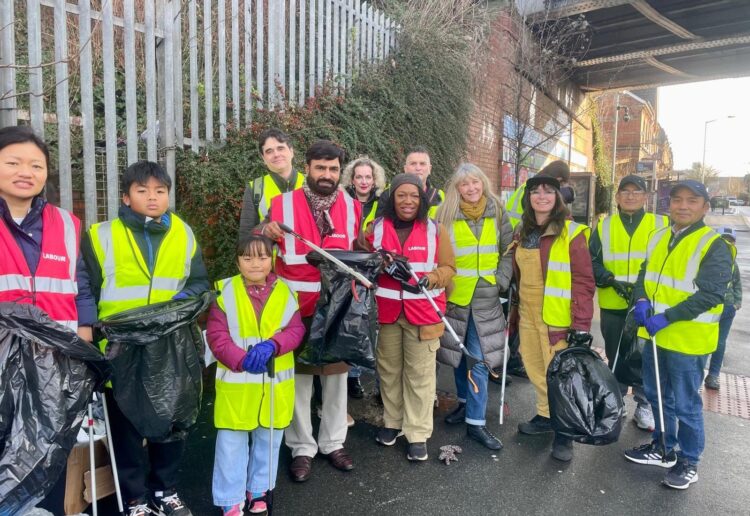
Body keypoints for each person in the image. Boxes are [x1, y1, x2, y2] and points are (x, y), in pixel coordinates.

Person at [82, 161, 210, 516]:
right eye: (142, 190)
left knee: (171, 420)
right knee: (124, 427)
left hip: (170, 346)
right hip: (120, 350)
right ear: (125, 197)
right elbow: (87, 292)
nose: (152, 197)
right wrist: (91, 344)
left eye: (160, 191)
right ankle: (135, 498)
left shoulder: (183, 233)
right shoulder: (100, 235)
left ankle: (164, 490)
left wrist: (171, 310)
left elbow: (199, 283)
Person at [0, 125, 97, 514]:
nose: (26, 172)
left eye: (36, 165)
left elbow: (82, 285)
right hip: (3, 362)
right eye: (13, 162)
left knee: (49, 454)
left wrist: (86, 340)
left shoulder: (66, 224)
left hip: (56, 365)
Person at [260, 140, 361, 482]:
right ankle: (302, 447)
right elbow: (257, 245)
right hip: (295, 309)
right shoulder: (281, 204)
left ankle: (333, 442)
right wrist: (264, 230)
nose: (327, 175)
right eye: (321, 168)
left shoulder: (351, 206)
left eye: (333, 169)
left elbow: (355, 248)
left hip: (336, 308)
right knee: (300, 380)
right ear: (308, 167)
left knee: (335, 378)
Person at [624, 180, 732, 490]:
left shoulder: (714, 245)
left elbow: (711, 295)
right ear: (668, 204)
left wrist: (667, 317)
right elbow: (646, 272)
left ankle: (689, 461)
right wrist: (642, 300)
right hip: (657, 336)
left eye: (692, 201)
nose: (683, 206)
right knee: (658, 395)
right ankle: (663, 448)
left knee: (685, 404)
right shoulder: (660, 236)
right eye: (677, 200)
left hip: (687, 339)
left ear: (705, 208)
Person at [357, 173, 456, 461]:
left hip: (423, 315)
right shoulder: (375, 228)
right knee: (388, 373)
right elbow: (361, 256)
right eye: (401, 195)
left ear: (422, 200)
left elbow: (449, 267)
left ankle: (417, 432)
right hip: (387, 314)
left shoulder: (435, 230)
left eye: (414, 196)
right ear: (392, 198)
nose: (408, 201)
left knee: (420, 376)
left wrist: (431, 277)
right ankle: (393, 422)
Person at [206, 235, 305, 515]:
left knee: (268, 440)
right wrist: (240, 359)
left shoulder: (286, 291)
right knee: (231, 445)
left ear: (272, 259)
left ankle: (259, 489)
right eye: (247, 257)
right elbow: (217, 336)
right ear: (237, 260)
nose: (255, 263)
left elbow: (296, 330)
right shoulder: (224, 292)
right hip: (238, 386)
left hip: (274, 385)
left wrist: (273, 345)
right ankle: (230, 499)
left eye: (262, 257)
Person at [510, 175, 594, 462]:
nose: (541, 196)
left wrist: (581, 323)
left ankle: (565, 433)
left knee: (561, 376)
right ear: (528, 197)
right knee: (534, 368)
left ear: (558, 197)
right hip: (528, 314)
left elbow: (583, 281)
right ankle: (546, 416)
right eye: (535, 192)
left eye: (548, 191)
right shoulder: (523, 231)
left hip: (556, 320)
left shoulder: (572, 233)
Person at [435, 163, 512, 450]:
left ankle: (476, 424)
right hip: (456, 296)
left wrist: (501, 279)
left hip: (487, 298)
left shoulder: (498, 212)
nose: (471, 188)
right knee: (457, 357)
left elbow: (508, 249)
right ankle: (464, 403)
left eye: (475, 182)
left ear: (483, 184)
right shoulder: (444, 214)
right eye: (464, 184)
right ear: (456, 189)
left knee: (479, 362)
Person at [589, 175, 668, 431]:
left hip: (648, 304)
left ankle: (644, 404)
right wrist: (609, 280)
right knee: (616, 353)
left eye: (637, 191)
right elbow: (593, 261)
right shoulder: (604, 226)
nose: (631, 196)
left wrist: (642, 291)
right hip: (613, 303)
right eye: (625, 191)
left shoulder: (661, 224)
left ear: (646, 196)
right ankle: (618, 400)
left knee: (646, 354)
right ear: (618, 196)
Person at [339, 155, 387, 399]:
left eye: (368, 176)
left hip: (375, 268)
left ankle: (381, 384)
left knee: (375, 326)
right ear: (352, 179)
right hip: (349, 267)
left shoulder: (383, 202)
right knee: (354, 324)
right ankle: (353, 377)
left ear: (375, 178)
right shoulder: (342, 200)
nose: (364, 181)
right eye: (359, 176)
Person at [238, 128, 305, 240]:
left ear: (291, 151)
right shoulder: (255, 188)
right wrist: (264, 230)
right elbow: (246, 235)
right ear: (263, 158)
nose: (276, 154)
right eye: (269, 151)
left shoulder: (310, 183)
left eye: (280, 148)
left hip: (306, 257)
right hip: (271, 257)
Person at [705, 226, 742, 390]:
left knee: (719, 344)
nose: (727, 243)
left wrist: (736, 302)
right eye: (724, 240)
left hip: (727, 308)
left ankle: (713, 375)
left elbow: (737, 284)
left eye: (730, 241)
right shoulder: (707, 260)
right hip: (708, 307)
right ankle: (697, 375)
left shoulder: (733, 263)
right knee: (704, 342)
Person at [376, 147, 444, 219]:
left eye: (422, 164)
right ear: (405, 169)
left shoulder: (439, 196)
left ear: (429, 169)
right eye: (413, 164)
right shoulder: (389, 193)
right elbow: (380, 225)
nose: (418, 168)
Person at [506, 160, 572, 229]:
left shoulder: (531, 184)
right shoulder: (533, 188)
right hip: (518, 231)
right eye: (560, 182)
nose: (560, 185)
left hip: (515, 228)